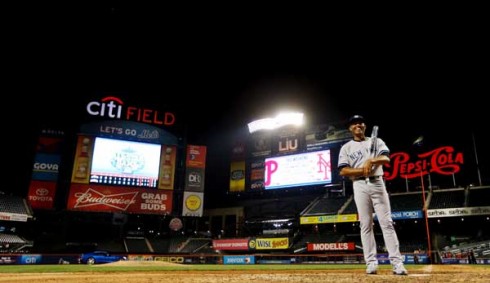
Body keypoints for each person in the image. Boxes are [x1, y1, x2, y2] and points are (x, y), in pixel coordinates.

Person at [338, 115, 408, 275]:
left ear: (365, 126)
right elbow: (343, 170)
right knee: (366, 224)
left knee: (387, 223)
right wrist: (361, 170)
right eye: (353, 123)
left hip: (377, 182)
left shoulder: (376, 141)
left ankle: (397, 263)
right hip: (359, 184)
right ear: (350, 128)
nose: (357, 125)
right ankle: (371, 263)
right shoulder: (346, 147)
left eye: (360, 122)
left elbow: (386, 157)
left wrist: (372, 162)